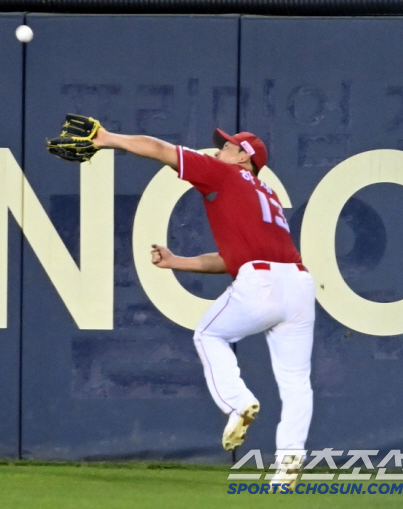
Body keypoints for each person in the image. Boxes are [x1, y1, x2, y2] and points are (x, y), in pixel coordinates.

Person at [91, 124, 315, 488]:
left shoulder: (226, 173)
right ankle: (289, 462)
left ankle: (238, 402)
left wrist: (108, 139)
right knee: (296, 381)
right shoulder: (268, 193)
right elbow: (233, 258)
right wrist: (178, 261)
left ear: (245, 157)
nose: (218, 151)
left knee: (208, 334)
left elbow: (158, 147)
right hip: (300, 284)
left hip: (261, 281)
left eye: (227, 146)